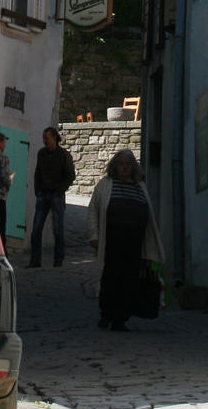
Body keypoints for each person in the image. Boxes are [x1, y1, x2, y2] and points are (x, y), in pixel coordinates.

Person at [87, 149, 163, 332]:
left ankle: (121, 318)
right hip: (112, 238)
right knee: (111, 276)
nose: (125, 167)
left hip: (134, 240)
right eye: (121, 164)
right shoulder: (105, 185)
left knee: (129, 279)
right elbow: (93, 212)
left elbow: (149, 215)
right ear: (115, 165)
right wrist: (94, 236)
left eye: (128, 164)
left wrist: (149, 246)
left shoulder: (140, 187)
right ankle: (106, 314)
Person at [28, 126, 77, 267]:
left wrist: (60, 190)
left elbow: (70, 176)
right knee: (36, 229)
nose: (44, 141)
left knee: (57, 229)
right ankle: (35, 260)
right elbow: (37, 172)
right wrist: (37, 190)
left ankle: (58, 260)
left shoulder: (63, 155)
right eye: (44, 138)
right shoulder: (41, 153)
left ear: (54, 138)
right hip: (43, 194)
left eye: (47, 138)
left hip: (56, 196)